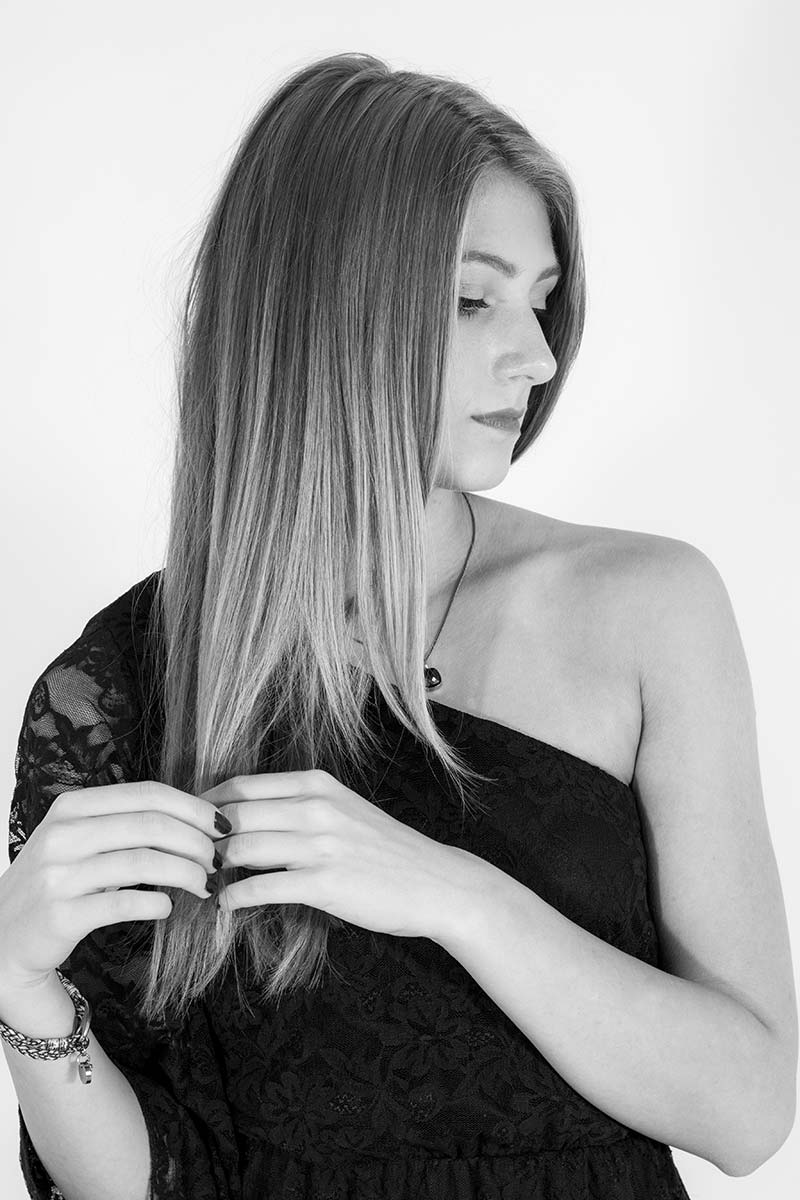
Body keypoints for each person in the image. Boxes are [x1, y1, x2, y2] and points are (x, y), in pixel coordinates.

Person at [1, 50, 796, 1200]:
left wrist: (449, 892)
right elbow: (155, 1181)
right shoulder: (118, 687)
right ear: (324, 308)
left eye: (539, 299)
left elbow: (748, 1112)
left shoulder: (645, 609)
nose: (536, 356)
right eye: (474, 299)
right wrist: (21, 994)